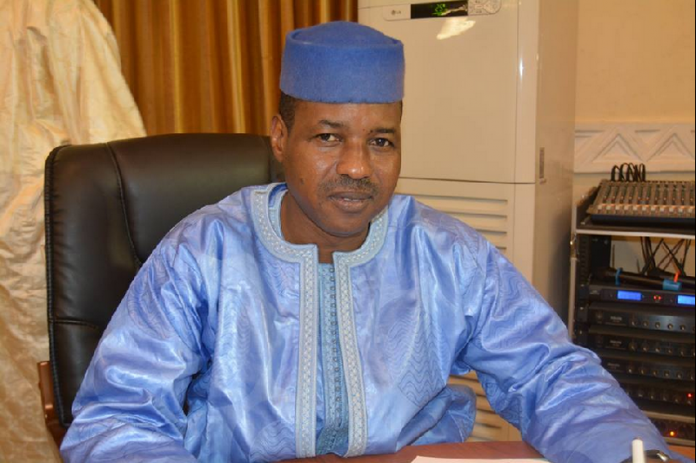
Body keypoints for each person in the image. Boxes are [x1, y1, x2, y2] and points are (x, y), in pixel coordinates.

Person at [60, 21, 688, 463]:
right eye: (329, 137)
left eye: (381, 141)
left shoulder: (445, 254)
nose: (358, 167)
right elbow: (117, 419)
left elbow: (551, 374)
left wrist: (631, 454)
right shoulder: (204, 253)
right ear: (280, 137)